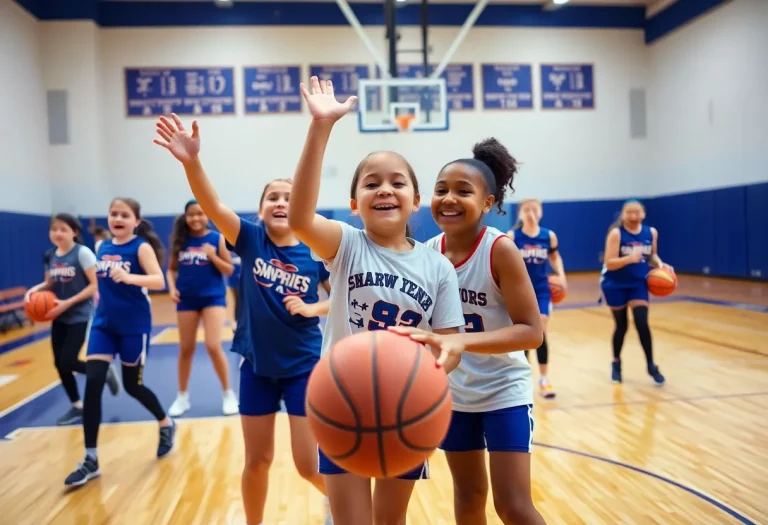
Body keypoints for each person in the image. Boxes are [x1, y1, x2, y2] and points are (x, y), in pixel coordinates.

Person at [287, 76, 466, 525]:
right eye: (371, 184)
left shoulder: (438, 266)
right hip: (341, 401)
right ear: (354, 203)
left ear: (416, 200)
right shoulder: (347, 245)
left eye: (397, 182)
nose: (384, 189)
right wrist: (321, 128)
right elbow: (300, 217)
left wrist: (425, 369)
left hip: (406, 405)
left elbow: (452, 346)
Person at [153, 113, 333, 525]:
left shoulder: (316, 249)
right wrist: (191, 162)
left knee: (308, 466)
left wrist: (313, 308)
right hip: (256, 367)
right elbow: (213, 205)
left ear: (303, 204)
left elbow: (339, 299)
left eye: (290, 196)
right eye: (273, 197)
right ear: (261, 208)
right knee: (257, 462)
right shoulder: (251, 238)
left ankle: (339, 504)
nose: (282, 203)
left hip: (303, 367)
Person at [392, 138, 546, 525]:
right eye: (441, 189)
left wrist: (460, 339)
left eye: (464, 191)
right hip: (452, 396)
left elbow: (532, 332)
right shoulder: (424, 253)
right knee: (469, 494)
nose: (448, 198)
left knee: (512, 505)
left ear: (489, 203)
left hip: (502, 391)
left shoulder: (499, 250)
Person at [64, 198, 176, 488]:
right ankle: (91, 458)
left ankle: (165, 423)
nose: (117, 218)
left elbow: (158, 281)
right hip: (103, 325)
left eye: (124, 215)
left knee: (132, 386)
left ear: (136, 221)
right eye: (113, 213)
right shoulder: (102, 247)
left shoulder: (141, 247)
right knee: (93, 384)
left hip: (133, 327)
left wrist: (129, 277)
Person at [25, 214, 120, 426]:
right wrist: (34, 291)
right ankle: (77, 406)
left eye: (63, 229)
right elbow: (50, 283)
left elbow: (95, 285)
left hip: (80, 314)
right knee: (59, 364)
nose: (57, 233)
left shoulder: (83, 253)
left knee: (68, 360)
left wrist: (68, 303)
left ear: (74, 232)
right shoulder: (50, 255)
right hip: (58, 315)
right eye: (54, 229)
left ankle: (104, 372)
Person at [166, 199, 238, 417]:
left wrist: (213, 255)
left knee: (213, 346)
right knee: (186, 349)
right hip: (186, 299)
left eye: (200, 213)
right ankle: (182, 396)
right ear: (185, 217)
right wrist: (171, 289)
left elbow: (228, 270)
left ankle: (228, 394)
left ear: (207, 216)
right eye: (191, 214)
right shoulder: (180, 241)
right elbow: (170, 270)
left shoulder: (217, 239)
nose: (196, 218)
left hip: (212, 298)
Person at [600, 199, 668, 386]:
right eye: (629, 212)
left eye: (637, 212)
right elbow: (609, 262)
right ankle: (616, 363)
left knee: (642, 323)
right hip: (615, 284)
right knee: (621, 326)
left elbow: (651, 256)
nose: (634, 216)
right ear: (623, 214)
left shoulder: (651, 232)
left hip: (638, 283)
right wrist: (629, 258)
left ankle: (651, 365)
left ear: (643, 214)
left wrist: (660, 265)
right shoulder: (616, 234)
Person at [508, 199, 566, 399]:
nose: (531, 212)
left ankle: (544, 379)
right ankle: (522, 378)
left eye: (535, 209)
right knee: (523, 334)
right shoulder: (513, 236)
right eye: (527, 209)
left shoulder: (548, 236)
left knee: (539, 331)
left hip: (541, 289)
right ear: (520, 214)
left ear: (541, 212)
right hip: (519, 291)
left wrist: (561, 276)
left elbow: (555, 256)